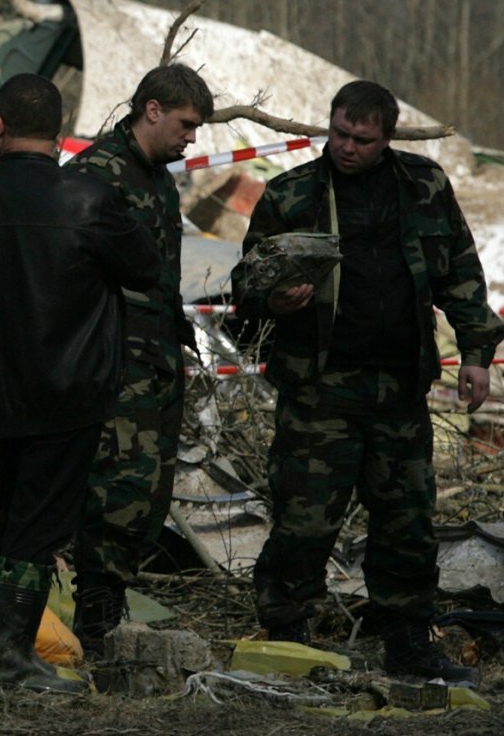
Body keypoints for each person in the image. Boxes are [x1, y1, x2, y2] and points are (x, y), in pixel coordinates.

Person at [232, 80, 502, 684]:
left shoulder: (423, 186)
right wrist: (275, 298)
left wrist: (476, 353)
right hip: (318, 390)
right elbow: (246, 285)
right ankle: (287, 636)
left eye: (362, 139)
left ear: (388, 138)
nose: (347, 147)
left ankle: (407, 642)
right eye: (339, 134)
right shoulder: (293, 193)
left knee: (407, 524)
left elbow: (461, 273)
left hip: (399, 389)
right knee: (304, 523)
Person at [0, 74, 159, 692]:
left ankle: (11, 650)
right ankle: (12, 659)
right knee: (37, 525)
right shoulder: (89, 199)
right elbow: (147, 268)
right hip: (66, 390)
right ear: (59, 130)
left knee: (20, 515)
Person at [64, 63, 214, 655]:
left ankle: (109, 601)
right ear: (152, 110)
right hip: (113, 363)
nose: (191, 138)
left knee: (147, 492)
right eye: (185, 124)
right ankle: (95, 614)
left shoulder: (157, 178)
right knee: (114, 491)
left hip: (154, 361)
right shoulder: (94, 176)